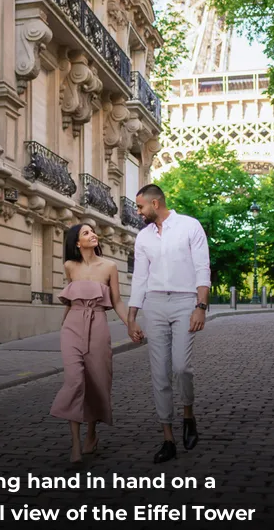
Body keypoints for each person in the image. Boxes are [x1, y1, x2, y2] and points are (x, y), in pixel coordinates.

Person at [126, 184, 211, 463]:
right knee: (160, 375)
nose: (137, 212)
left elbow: (202, 267)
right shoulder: (143, 237)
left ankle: (188, 414)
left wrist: (201, 306)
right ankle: (168, 438)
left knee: (181, 367)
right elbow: (140, 277)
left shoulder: (189, 226)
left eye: (140, 207)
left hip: (185, 302)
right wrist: (131, 317)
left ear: (155, 203)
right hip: (155, 304)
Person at [50, 223, 130, 464]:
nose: (93, 234)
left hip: (98, 325)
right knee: (74, 381)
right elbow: (69, 300)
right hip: (72, 325)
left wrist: (131, 326)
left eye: (93, 231)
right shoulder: (69, 266)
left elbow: (116, 302)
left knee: (97, 381)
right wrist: (63, 327)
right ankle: (75, 442)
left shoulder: (110, 266)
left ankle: (91, 434)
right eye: (86, 232)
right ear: (77, 242)